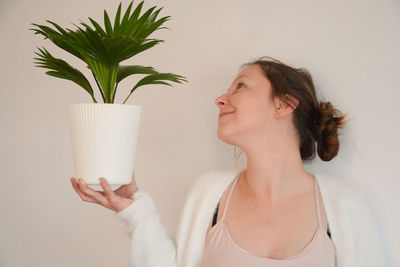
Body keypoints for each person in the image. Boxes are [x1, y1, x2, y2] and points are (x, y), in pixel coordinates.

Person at [70, 56, 391, 267]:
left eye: (240, 86)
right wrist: (134, 212)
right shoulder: (209, 194)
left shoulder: (345, 208)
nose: (220, 99)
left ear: (283, 104)